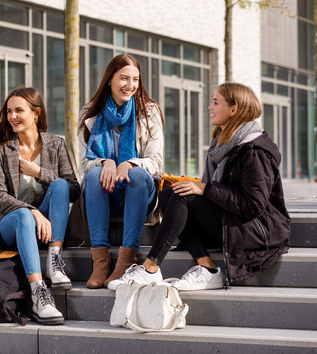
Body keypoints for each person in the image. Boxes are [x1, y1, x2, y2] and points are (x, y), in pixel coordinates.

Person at [108, 82, 291, 291]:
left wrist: (205, 189)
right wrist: (200, 187)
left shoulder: (254, 151)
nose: (209, 107)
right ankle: (207, 269)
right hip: (233, 220)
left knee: (183, 196)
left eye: (215, 102)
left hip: (258, 232)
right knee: (170, 194)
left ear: (234, 109)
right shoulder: (223, 144)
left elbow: (253, 205)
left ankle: (150, 267)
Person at [0, 87, 80, 325]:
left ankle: (54, 260)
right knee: (24, 214)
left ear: (36, 113)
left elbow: (74, 190)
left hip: (46, 225)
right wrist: (33, 212)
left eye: (19, 111)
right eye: (9, 111)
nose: (13, 116)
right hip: (11, 224)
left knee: (60, 185)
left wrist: (39, 173)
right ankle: (39, 293)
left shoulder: (55, 144)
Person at [78, 53, 164, 289]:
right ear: (109, 79)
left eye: (135, 79)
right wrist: (105, 162)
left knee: (135, 174)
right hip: (105, 191)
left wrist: (131, 163)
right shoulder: (90, 113)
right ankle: (101, 261)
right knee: (94, 173)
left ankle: (126, 259)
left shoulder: (149, 111)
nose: (130, 85)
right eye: (124, 78)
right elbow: (84, 163)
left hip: (138, 191)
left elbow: (156, 161)